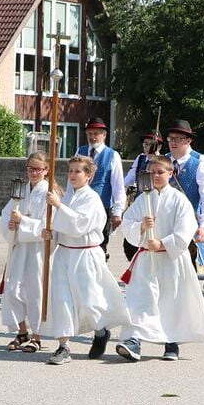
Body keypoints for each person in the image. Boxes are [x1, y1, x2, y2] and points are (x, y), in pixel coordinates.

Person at [115, 155, 204, 362]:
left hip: (171, 260)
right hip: (147, 260)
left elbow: (186, 228)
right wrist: (141, 227)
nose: (155, 176)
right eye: (152, 173)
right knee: (140, 300)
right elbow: (127, 222)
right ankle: (134, 340)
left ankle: (171, 343)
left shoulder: (179, 200)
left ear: (170, 173)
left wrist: (163, 243)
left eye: (160, 172)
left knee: (170, 302)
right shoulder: (143, 199)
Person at [42, 155, 129, 365]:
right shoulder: (68, 197)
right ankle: (63, 346)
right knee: (62, 300)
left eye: (78, 171)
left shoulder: (92, 198)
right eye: (70, 171)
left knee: (90, 301)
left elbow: (80, 225)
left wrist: (59, 206)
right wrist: (51, 233)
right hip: (64, 253)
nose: (72, 175)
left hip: (85, 254)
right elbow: (60, 225)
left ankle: (101, 331)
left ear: (88, 175)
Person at [0, 151, 50, 353]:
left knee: (35, 292)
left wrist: (23, 221)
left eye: (37, 169)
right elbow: (7, 213)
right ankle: (22, 331)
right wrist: (10, 225)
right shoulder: (21, 190)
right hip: (19, 248)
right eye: (30, 169)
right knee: (13, 289)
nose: (33, 173)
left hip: (38, 251)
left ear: (46, 170)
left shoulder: (49, 193)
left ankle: (37, 335)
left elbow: (48, 226)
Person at [164, 120, 204, 272]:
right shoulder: (164, 160)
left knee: (187, 268)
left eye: (178, 139)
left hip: (189, 223)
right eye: (171, 138)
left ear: (188, 140)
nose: (173, 142)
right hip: (166, 221)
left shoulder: (199, 161)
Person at [75, 117, 126, 261]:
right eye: (90, 133)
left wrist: (117, 211)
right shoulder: (80, 151)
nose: (92, 137)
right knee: (80, 243)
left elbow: (118, 185)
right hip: (81, 205)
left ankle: (99, 268)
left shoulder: (112, 155)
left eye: (96, 133)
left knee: (99, 244)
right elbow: (72, 178)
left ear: (104, 135)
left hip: (102, 207)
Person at [122, 132, 161, 262]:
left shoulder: (162, 160)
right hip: (140, 201)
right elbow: (130, 177)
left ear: (158, 146)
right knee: (131, 242)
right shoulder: (140, 158)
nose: (147, 147)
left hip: (155, 203)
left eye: (150, 144)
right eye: (145, 144)